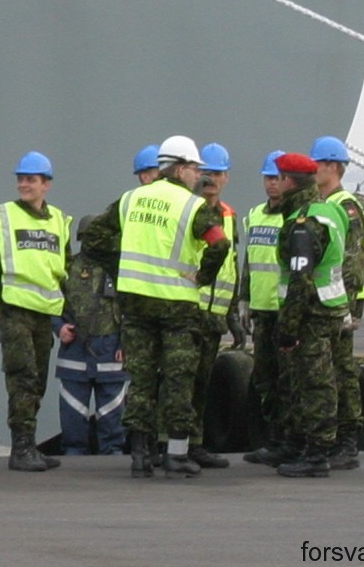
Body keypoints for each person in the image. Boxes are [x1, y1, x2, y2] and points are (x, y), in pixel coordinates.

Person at [79, 134, 228, 477]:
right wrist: (202, 276)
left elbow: (94, 236)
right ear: (179, 169)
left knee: (142, 380)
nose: (197, 176)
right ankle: (175, 455)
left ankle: (140, 455)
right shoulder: (192, 207)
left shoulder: (130, 200)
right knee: (178, 379)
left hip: (136, 304)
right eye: (194, 168)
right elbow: (219, 245)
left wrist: (120, 267)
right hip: (177, 305)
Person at [0, 150, 72, 471]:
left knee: (38, 380)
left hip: (45, 313)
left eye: (31, 180)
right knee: (22, 376)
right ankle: (21, 448)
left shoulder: (59, 221)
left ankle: (29, 445)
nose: (24, 185)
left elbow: (67, 268)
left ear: (46, 184)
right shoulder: (2, 216)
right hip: (14, 310)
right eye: (21, 179)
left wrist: (71, 312)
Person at [270, 152, 350, 478]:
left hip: (312, 313)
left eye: (278, 178)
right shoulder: (330, 210)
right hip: (330, 308)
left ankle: (317, 453)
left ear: (289, 182)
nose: (275, 184)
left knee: (315, 383)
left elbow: (301, 278)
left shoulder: (303, 224)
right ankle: (309, 445)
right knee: (320, 380)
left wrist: (287, 327)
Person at [310, 136, 364, 468]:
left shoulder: (344, 204)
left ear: (333, 167)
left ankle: (348, 439)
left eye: (317, 165)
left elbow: (352, 259)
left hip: (339, 303)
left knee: (342, 370)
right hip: (329, 302)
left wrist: (346, 306)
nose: (312, 170)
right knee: (328, 370)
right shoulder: (324, 202)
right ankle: (333, 437)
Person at [182, 143, 239, 468]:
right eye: (206, 173)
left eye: (217, 174)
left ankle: (195, 444)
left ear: (226, 177)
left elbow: (231, 264)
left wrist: (231, 315)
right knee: (181, 381)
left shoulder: (230, 217)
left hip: (214, 317)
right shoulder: (189, 211)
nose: (211, 180)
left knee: (202, 383)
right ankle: (173, 445)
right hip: (188, 312)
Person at [57, 215, 127, 456]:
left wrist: (125, 341)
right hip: (74, 349)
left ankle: (113, 453)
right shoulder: (67, 268)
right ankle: (74, 454)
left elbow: (134, 308)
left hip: (112, 349)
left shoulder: (121, 271)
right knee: (72, 412)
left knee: (112, 411)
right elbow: (50, 302)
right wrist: (58, 327)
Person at [240, 151, 292, 463]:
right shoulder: (255, 215)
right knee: (266, 378)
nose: (272, 184)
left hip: (285, 309)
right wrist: (243, 299)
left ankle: (288, 440)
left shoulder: (295, 215)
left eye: (277, 178)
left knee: (288, 381)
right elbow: (249, 260)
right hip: (262, 310)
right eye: (268, 178)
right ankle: (273, 440)